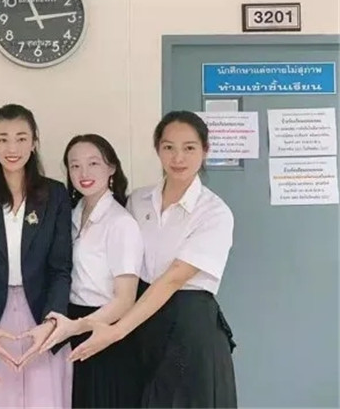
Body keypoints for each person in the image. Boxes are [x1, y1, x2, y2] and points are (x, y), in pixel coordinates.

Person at [69, 111, 237, 407]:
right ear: (158, 149)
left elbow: (173, 279)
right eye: (168, 147)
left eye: (189, 148)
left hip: (189, 327)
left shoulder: (214, 212)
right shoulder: (138, 200)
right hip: (142, 325)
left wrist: (116, 331)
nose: (178, 157)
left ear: (205, 150)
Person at [0, 104, 73, 408]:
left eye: (22, 138)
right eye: (3, 139)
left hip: (42, 313)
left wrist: (52, 321)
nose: (13, 148)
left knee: (43, 397)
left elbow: (60, 268)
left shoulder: (55, 194)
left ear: (34, 143)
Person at [39, 134, 144, 408]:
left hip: (105, 331)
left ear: (112, 168)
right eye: (75, 166)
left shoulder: (121, 223)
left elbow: (125, 299)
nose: (84, 173)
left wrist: (80, 326)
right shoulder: (70, 215)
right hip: (71, 327)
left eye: (94, 163)